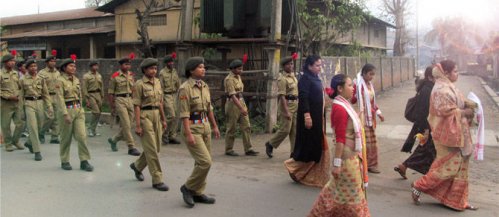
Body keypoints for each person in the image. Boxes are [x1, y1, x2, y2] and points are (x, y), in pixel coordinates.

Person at [411, 60, 478, 211]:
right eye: (455, 71)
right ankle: (418, 185)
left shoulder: (449, 86)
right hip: (447, 135)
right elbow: (444, 112)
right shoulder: (441, 89)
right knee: (448, 167)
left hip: (458, 134)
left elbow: (457, 104)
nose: (457, 74)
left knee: (461, 167)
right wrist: (464, 112)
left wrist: (470, 105)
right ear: (446, 73)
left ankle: (457, 200)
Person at [309, 74, 370, 217]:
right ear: (340, 89)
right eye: (349, 85)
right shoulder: (340, 108)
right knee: (349, 197)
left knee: (335, 193)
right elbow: (340, 139)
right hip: (346, 160)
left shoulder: (345, 105)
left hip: (351, 157)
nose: (353, 88)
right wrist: (337, 164)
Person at [178, 57, 220, 207]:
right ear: (191, 70)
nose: (204, 69)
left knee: (200, 162)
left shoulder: (204, 86)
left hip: (205, 126)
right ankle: (188, 187)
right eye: (200, 67)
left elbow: (209, 109)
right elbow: (184, 113)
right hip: (192, 128)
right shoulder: (185, 88)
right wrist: (188, 134)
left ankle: (198, 192)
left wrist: (214, 126)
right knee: (205, 162)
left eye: (204, 67)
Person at [284, 55, 330, 187]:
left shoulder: (315, 78)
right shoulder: (305, 79)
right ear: (309, 66)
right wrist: (307, 116)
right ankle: (294, 168)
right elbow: (303, 98)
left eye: (320, 65)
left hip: (318, 118)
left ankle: (312, 175)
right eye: (317, 65)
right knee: (309, 146)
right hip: (310, 119)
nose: (320, 68)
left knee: (316, 146)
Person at [129, 58, 169, 191]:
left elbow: (160, 102)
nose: (154, 71)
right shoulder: (139, 84)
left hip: (157, 115)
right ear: (144, 70)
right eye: (151, 68)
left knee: (156, 148)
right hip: (145, 117)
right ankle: (157, 179)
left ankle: (137, 166)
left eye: (155, 68)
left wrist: (163, 119)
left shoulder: (158, 82)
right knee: (152, 150)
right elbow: (137, 105)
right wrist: (138, 125)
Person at [394, 66, 436, 179]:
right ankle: (429, 178)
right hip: (426, 126)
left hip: (426, 125)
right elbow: (423, 111)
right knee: (426, 150)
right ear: (430, 77)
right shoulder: (427, 90)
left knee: (425, 150)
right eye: (436, 76)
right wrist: (426, 130)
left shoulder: (428, 87)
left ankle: (404, 166)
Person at [55, 56, 94, 172]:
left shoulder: (76, 80)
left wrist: (81, 108)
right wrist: (65, 114)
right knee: (66, 138)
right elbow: (60, 98)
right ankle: (65, 160)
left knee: (82, 136)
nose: (73, 68)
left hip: (78, 109)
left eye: (74, 66)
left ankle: (84, 160)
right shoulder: (60, 81)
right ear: (64, 67)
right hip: (67, 110)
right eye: (71, 66)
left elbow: (80, 95)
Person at [352, 63, 384, 174]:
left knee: (372, 142)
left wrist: (379, 113)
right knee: (362, 142)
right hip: (361, 117)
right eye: (370, 74)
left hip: (370, 118)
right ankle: (361, 164)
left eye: (373, 74)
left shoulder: (369, 85)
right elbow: (353, 100)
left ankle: (371, 164)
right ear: (364, 73)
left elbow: (372, 102)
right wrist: (355, 95)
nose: (372, 77)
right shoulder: (358, 85)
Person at [223, 59, 259, 156]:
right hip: (233, 104)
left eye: (241, 68)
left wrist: (243, 106)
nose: (241, 71)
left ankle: (248, 148)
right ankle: (229, 149)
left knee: (246, 126)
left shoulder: (238, 77)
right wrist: (241, 108)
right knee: (232, 127)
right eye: (239, 69)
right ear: (233, 69)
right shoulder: (229, 79)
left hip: (241, 101)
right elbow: (233, 96)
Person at [19, 59, 53, 161]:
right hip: (28, 104)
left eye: (35, 66)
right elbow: (20, 97)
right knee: (32, 127)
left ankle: (29, 142)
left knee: (40, 126)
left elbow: (45, 94)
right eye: (31, 66)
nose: (34, 68)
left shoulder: (41, 78)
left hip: (40, 103)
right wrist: (21, 111)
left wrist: (49, 106)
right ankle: (37, 151)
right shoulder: (22, 79)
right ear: (27, 68)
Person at [107, 54, 141, 156]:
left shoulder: (131, 75)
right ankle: (131, 147)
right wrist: (112, 106)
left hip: (130, 99)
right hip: (120, 100)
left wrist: (135, 101)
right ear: (121, 65)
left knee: (129, 125)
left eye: (129, 65)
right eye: (126, 64)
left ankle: (114, 140)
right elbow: (110, 92)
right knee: (126, 124)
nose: (128, 67)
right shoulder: (115, 76)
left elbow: (134, 89)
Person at [265, 55, 298, 158]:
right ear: (283, 66)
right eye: (288, 64)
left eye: (291, 64)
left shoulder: (293, 76)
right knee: (285, 130)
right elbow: (282, 96)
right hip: (286, 105)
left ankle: (294, 152)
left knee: (294, 130)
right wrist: (286, 111)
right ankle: (270, 144)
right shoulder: (282, 79)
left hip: (295, 105)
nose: (291, 66)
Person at [0, 51, 25, 151]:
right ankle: (8, 143)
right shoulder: (1, 74)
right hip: (5, 103)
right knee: (6, 125)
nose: (13, 63)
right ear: (5, 62)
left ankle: (16, 140)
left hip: (17, 101)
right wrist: (9, 97)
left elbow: (20, 87)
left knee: (20, 123)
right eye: (10, 61)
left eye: (13, 61)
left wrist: (20, 95)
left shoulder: (17, 73)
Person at [159, 53, 181, 145]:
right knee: (171, 116)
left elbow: (178, 84)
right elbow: (161, 87)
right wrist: (161, 99)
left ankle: (172, 136)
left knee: (176, 116)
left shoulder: (175, 71)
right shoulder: (162, 73)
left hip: (175, 95)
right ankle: (164, 134)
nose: (171, 63)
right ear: (166, 63)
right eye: (169, 62)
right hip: (167, 95)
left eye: (172, 61)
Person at [39, 50, 61, 144]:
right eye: (51, 61)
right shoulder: (41, 73)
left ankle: (55, 137)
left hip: (56, 96)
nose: (53, 63)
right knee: (49, 117)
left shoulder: (57, 73)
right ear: (47, 63)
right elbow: (39, 86)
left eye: (54, 61)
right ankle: (41, 132)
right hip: (46, 97)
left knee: (57, 117)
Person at [82, 61, 104, 137]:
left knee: (99, 113)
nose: (96, 67)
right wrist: (86, 100)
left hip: (98, 94)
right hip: (90, 94)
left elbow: (102, 86)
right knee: (96, 112)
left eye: (97, 66)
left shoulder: (99, 75)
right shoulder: (86, 76)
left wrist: (102, 95)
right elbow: (84, 88)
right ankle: (90, 129)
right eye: (94, 66)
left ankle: (94, 130)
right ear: (91, 67)